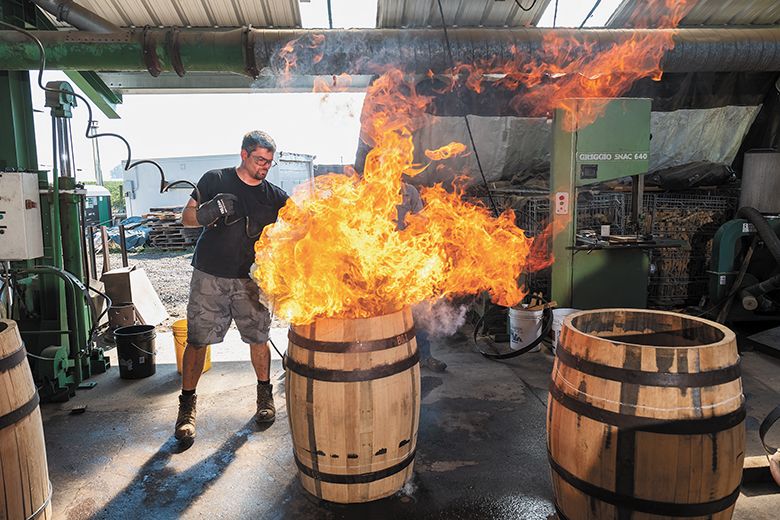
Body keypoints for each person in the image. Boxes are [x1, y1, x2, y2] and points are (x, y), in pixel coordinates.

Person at [174, 130, 289, 441]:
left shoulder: (275, 197)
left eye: (269, 162)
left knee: (259, 338)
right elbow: (185, 218)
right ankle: (187, 407)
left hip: (251, 280)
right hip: (209, 275)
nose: (265, 166)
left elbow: (298, 230)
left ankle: (264, 397)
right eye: (259, 160)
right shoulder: (215, 179)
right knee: (197, 341)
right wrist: (208, 212)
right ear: (244, 154)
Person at [396, 180, 447, 373]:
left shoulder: (409, 192)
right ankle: (385, 357)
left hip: (407, 258)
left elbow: (421, 222)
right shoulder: (369, 189)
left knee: (420, 309)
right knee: (385, 313)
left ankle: (425, 356)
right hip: (378, 261)